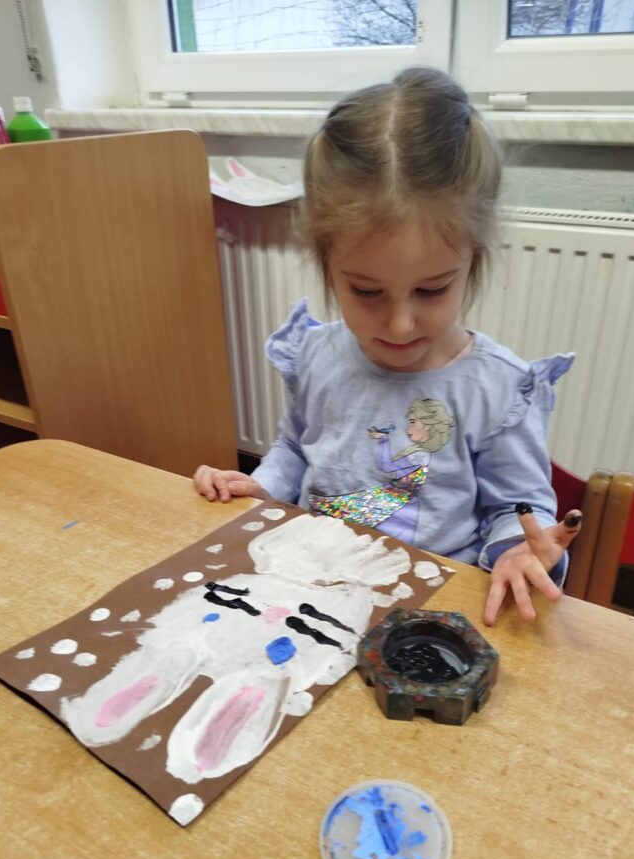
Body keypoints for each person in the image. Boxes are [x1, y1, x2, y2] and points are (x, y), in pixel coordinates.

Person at [194, 66, 581, 626]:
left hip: (429, 613)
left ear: (473, 260)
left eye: (431, 289)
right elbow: (298, 448)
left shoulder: (497, 389)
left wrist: (520, 550)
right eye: (367, 291)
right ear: (325, 264)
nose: (400, 325)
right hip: (309, 586)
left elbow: (515, 508)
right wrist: (263, 484)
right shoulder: (315, 356)